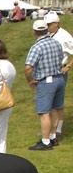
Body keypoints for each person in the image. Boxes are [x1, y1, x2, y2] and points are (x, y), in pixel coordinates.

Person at [25, 19, 65, 150]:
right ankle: (53, 136)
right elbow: (60, 60)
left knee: (44, 112)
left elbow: (28, 67)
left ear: (34, 32)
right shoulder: (56, 43)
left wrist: (30, 80)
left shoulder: (37, 47)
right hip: (59, 78)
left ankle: (46, 141)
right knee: (54, 109)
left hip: (47, 81)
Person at [44, 11, 73, 139]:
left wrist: (68, 66)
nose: (48, 27)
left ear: (56, 24)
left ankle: (58, 129)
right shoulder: (50, 35)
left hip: (59, 71)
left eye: (50, 24)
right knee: (49, 103)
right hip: (49, 71)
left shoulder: (65, 36)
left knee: (57, 103)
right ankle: (50, 129)